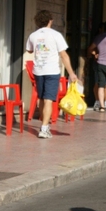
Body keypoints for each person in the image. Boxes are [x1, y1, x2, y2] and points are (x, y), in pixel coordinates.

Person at [26, 10, 78, 139]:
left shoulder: (33, 35)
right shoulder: (56, 35)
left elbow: (29, 49)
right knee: (49, 99)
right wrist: (71, 73)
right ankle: (44, 129)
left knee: (42, 98)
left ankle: (44, 123)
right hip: (52, 71)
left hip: (38, 71)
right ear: (50, 20)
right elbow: (64, 55)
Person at [91, 23, 106, 112]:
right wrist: (95, 54)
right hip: (99, 63)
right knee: (98, 83)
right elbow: (91, 49)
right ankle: (98, 101)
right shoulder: (98, 38)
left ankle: (105, 101)